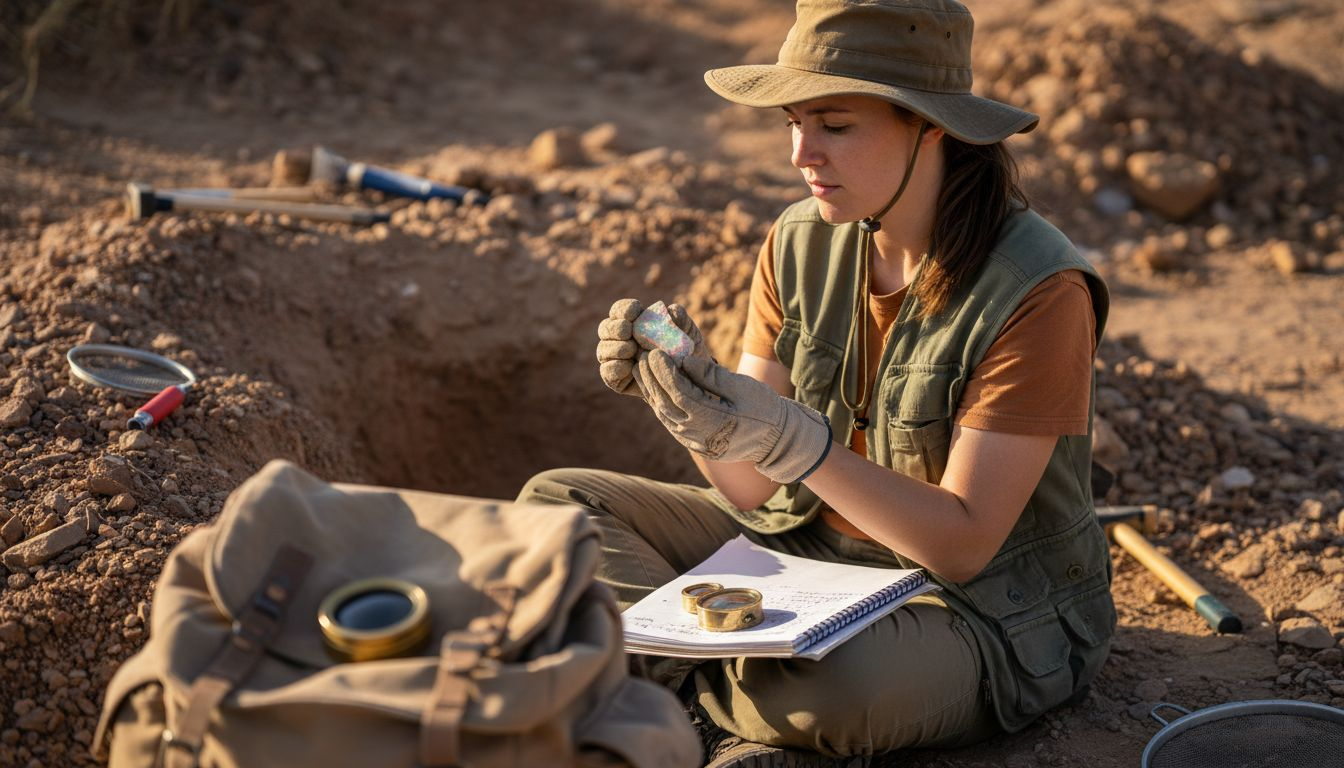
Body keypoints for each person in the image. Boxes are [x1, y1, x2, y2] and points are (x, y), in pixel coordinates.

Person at [517, 1, 1114, 765]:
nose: (803, 153)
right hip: (800, 553)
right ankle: (727, 705)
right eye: (793, 123)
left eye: (835, 126)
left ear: (930, 126)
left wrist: (799, 446)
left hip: (967, 603)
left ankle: (657, 681)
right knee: (553, 515)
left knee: (837, 690)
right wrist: (691, 406)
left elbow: (962, 546)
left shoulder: (1037, 288)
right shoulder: (799, 239)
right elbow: (750, 492)